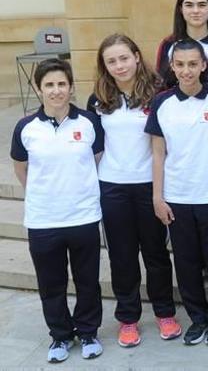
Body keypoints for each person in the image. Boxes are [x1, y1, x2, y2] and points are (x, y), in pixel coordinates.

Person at [87, 34, 180, 347]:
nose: (119, 65)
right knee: (122, 256)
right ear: (105, 66)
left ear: (137, 57)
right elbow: (96, 146)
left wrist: (160, 190)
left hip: (149, 186)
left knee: (155, 255)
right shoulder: (98, 98)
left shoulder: (158, 93)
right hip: (113, 187)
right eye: (111, 61)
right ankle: (128, 319)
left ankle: (165, 313)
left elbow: (164, 146)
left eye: (124, 58)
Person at [11, 58, 105, 363]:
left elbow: (97, 159)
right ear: (38, 89)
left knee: (87, 279)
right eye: (49, 85)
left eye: (61, 84)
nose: (56, 91)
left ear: (71, 86)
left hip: (83, 216)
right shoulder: (25, 128)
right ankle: (60, 337)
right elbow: (21, 169)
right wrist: (44, 193)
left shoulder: (89, 122)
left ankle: (88, 332)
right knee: (51, 284)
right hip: (43, 219)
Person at [146, 39, 208, 345]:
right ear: (172, 66)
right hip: (177, 198)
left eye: (193, 64)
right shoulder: (161, 103)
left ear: (204, 65)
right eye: (180, 65)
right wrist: (158, 197)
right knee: (185, 262)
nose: (186, 71)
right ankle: (197, 317)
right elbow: (158, 153)